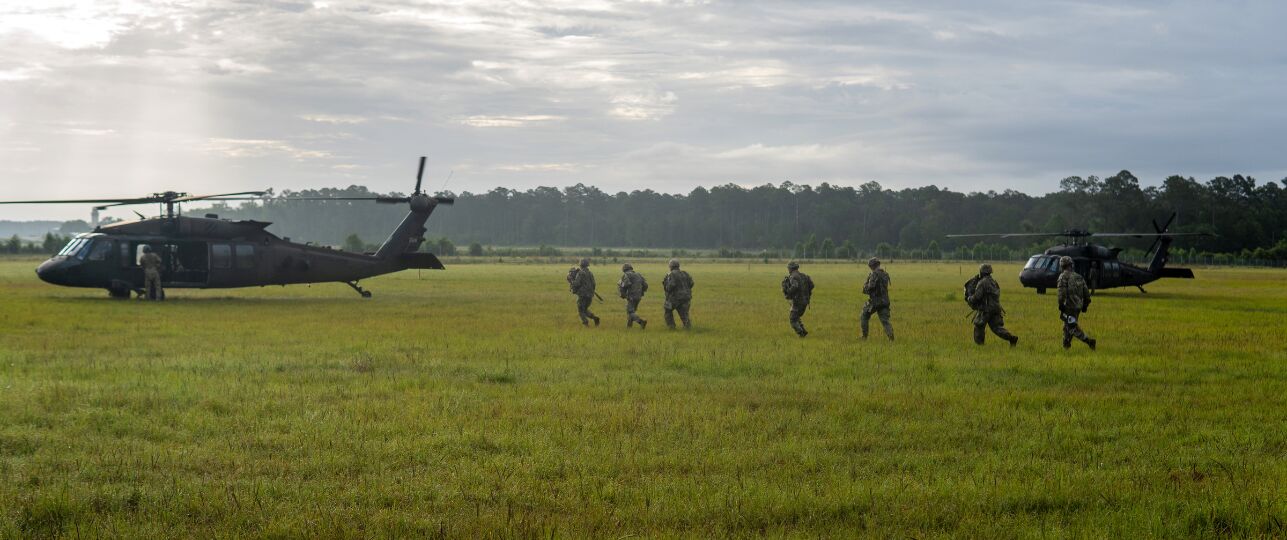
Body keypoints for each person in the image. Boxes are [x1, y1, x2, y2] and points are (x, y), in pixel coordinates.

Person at [967, 263, 1018, 347]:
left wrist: (970, 298)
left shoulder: (982, 282)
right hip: (996, 308)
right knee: (997, 328)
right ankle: (1011, 338)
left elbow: (977, 296)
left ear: (982, 272)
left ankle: (980, 346)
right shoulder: (994, 282)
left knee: (979, 326)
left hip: (986, 309)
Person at [1057, 256, 1097, 350]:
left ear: (1062, 265)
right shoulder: (1079, 277)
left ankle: (1089, 341)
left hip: (1069, 307)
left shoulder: (1063, 276)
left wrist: (1061, 304)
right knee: (1067, 326)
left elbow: (1061, 292)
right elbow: (1086, 293)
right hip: (1078, 307)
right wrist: (1085, 305)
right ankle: (1066, 345)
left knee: (1072, 327)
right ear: (1071, 265)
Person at [860, 257, 894, 341]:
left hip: (875, 302)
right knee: (885, 321)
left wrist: (866, 283)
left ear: (872, 266)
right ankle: (891, 337)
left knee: (864, 315)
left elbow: (869, 288)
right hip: (885, 301)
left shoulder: (874, 274)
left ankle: (864, 336)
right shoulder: (885, 274)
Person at [781, 260, 814, 337]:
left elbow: (795, 286)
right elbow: (812, 285)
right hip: (805, 301)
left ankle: (801, 333)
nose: (788, 270)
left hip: (798, 302)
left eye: (788, 268)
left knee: (792, 319)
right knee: (796, 317)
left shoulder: (793, 276)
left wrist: (788, 292)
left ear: (791, 268)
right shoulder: (804, 276)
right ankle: (803, 331)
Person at [662, 259, 694, 330]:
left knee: (667, 310)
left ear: (671, 266)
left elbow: (670, 287)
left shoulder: (671, 274)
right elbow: (692, 283)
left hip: (675, 298)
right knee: (684, 313)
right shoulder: (685, 273)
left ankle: (671, 327)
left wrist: (666, 283)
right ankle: (687, 327)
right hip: (686, 297)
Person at [569, 258, 600, 326]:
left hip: (582, 295)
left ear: (581, 265)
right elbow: (594, 284)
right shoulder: (590, 273)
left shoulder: (580, 273)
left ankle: (585, 323)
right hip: (590, 295)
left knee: (580, 310)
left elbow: (577, 284)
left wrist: (571, 280)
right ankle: (595, 318)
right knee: (585, 309)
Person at [617, 263, 648, 329]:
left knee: (630, 312)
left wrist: (622, 293)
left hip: (631, 296)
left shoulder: (626, 274)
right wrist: (641, 292)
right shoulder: (638, 275)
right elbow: (645, 285)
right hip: (639, 296)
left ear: (624, 269)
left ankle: (641, 321)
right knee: (632, 311)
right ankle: (629, 327)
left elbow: (626, 284)